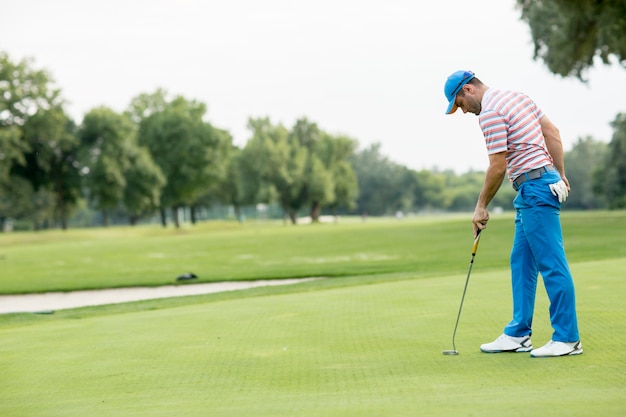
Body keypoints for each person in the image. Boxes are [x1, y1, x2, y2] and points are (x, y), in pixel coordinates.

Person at [443, 70, 582, 357]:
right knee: (521, 261)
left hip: (535, 190)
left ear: (468, 90)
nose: (463, 111)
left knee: (552, 263)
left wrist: (481, 206)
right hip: (535, 187)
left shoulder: (490, 113)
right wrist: (561, 174)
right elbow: (552, 133)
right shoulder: (518, 97)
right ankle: (518, 333)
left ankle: (568, 338)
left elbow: (497, 166)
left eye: (459, 104)